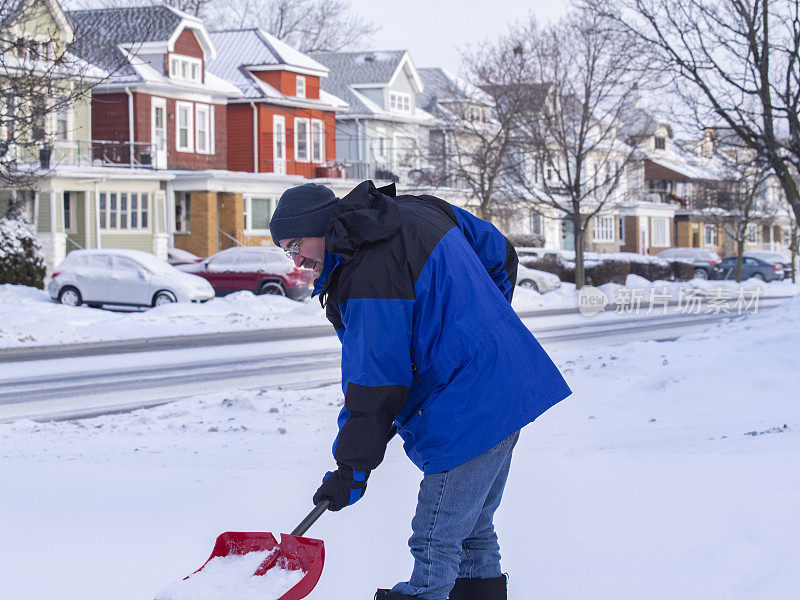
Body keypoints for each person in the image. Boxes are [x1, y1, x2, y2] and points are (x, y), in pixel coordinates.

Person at [269, 180, 571, 600]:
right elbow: (499, 252)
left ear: (322, 226)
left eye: (297, 244)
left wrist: (350, 471)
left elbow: (375, 386)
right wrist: (482, 327)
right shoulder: (415, 209)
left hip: (467, 407)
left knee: (434, 539)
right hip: (506, 382)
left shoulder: (367, 271)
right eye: (286, 250)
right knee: (471, 530)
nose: (297, 261)